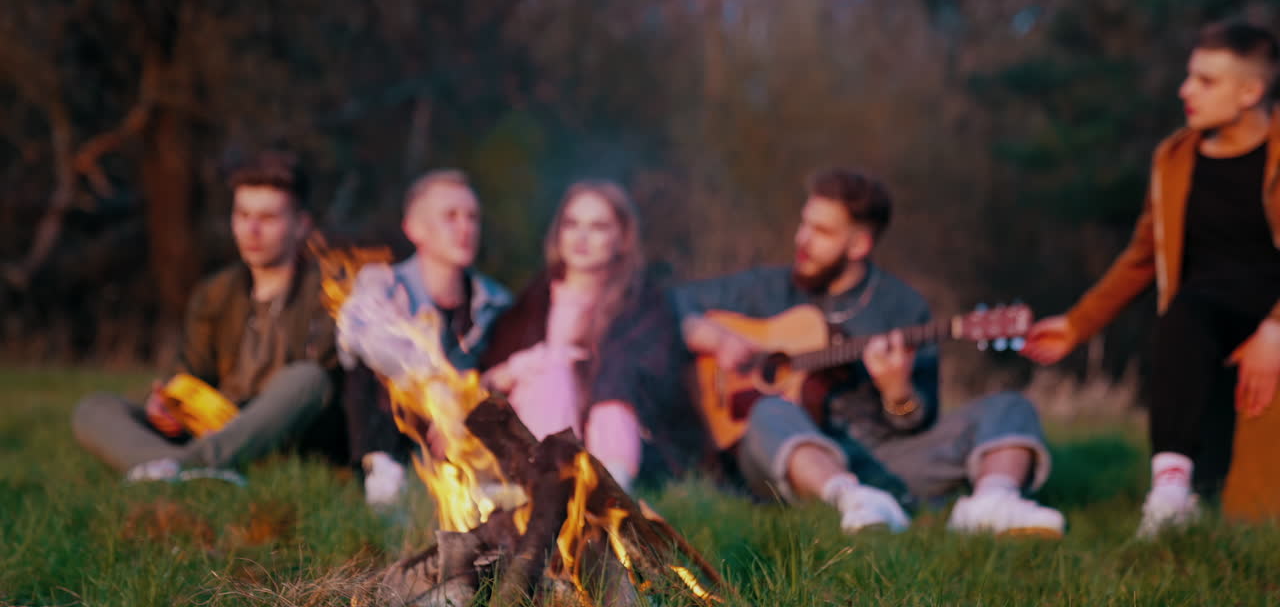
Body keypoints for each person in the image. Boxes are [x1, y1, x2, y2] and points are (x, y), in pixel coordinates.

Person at [674, 168, 1064, 535]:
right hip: (783, 458)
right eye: (804, 223)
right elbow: (668, 302)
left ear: (859, 244)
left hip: (881, 462)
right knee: (770, 411)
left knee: (1012, 407)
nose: (801, 239)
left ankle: (993, 504)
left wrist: (897, 393)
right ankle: (849, 500)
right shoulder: (765, 289)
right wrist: (712, 336)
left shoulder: (902, 309)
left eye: (821, 231)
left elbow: (917, 422)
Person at [1021, 22, 1280, 536]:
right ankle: (1169, 493)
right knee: (1182, 312)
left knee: (1253, 517)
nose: (1186, 91)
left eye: (1205, 81)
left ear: (1250, 92)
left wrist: (1274, 330)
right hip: (1202, 324)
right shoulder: (1174, 159)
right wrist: (1077, 325)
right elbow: (1142, 256)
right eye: (1189, 76)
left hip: (1271, 325)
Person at [72, 150, 342, 483]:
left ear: (301, 225)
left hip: (279, 434)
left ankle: (179, 468)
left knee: (307, 378)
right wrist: (168, 407)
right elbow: (191, 374)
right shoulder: (216, 292)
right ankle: (189, 468)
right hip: (210, 426)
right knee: (94, 409)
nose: (252, 230)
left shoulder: (329, 293)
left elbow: (321, 390)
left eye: (268, 218)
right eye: (242, 215)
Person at [479, 180, 706, 493]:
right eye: (572, 224)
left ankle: (609, 493)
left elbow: (653, 384)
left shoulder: (642, 303)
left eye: (598, 226)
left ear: (622, 239)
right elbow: (492, 376)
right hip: (535, 434)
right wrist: (542, 361)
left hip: (623, 441)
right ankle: (541, 486)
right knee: (553, 374)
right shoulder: (535, 299)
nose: (581, 237)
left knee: (615, 373)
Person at [340, 169, 511, 505]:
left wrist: (465, 407)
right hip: (391, 424)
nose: (466, 228)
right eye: (451, 216)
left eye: (473, 217)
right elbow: (362, 340)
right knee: (372, 367)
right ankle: (384, 480)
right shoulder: (381, 284)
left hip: (460, 435)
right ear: (415, 228)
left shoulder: (494, 302)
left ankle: (481, 482)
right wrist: (442, 393)